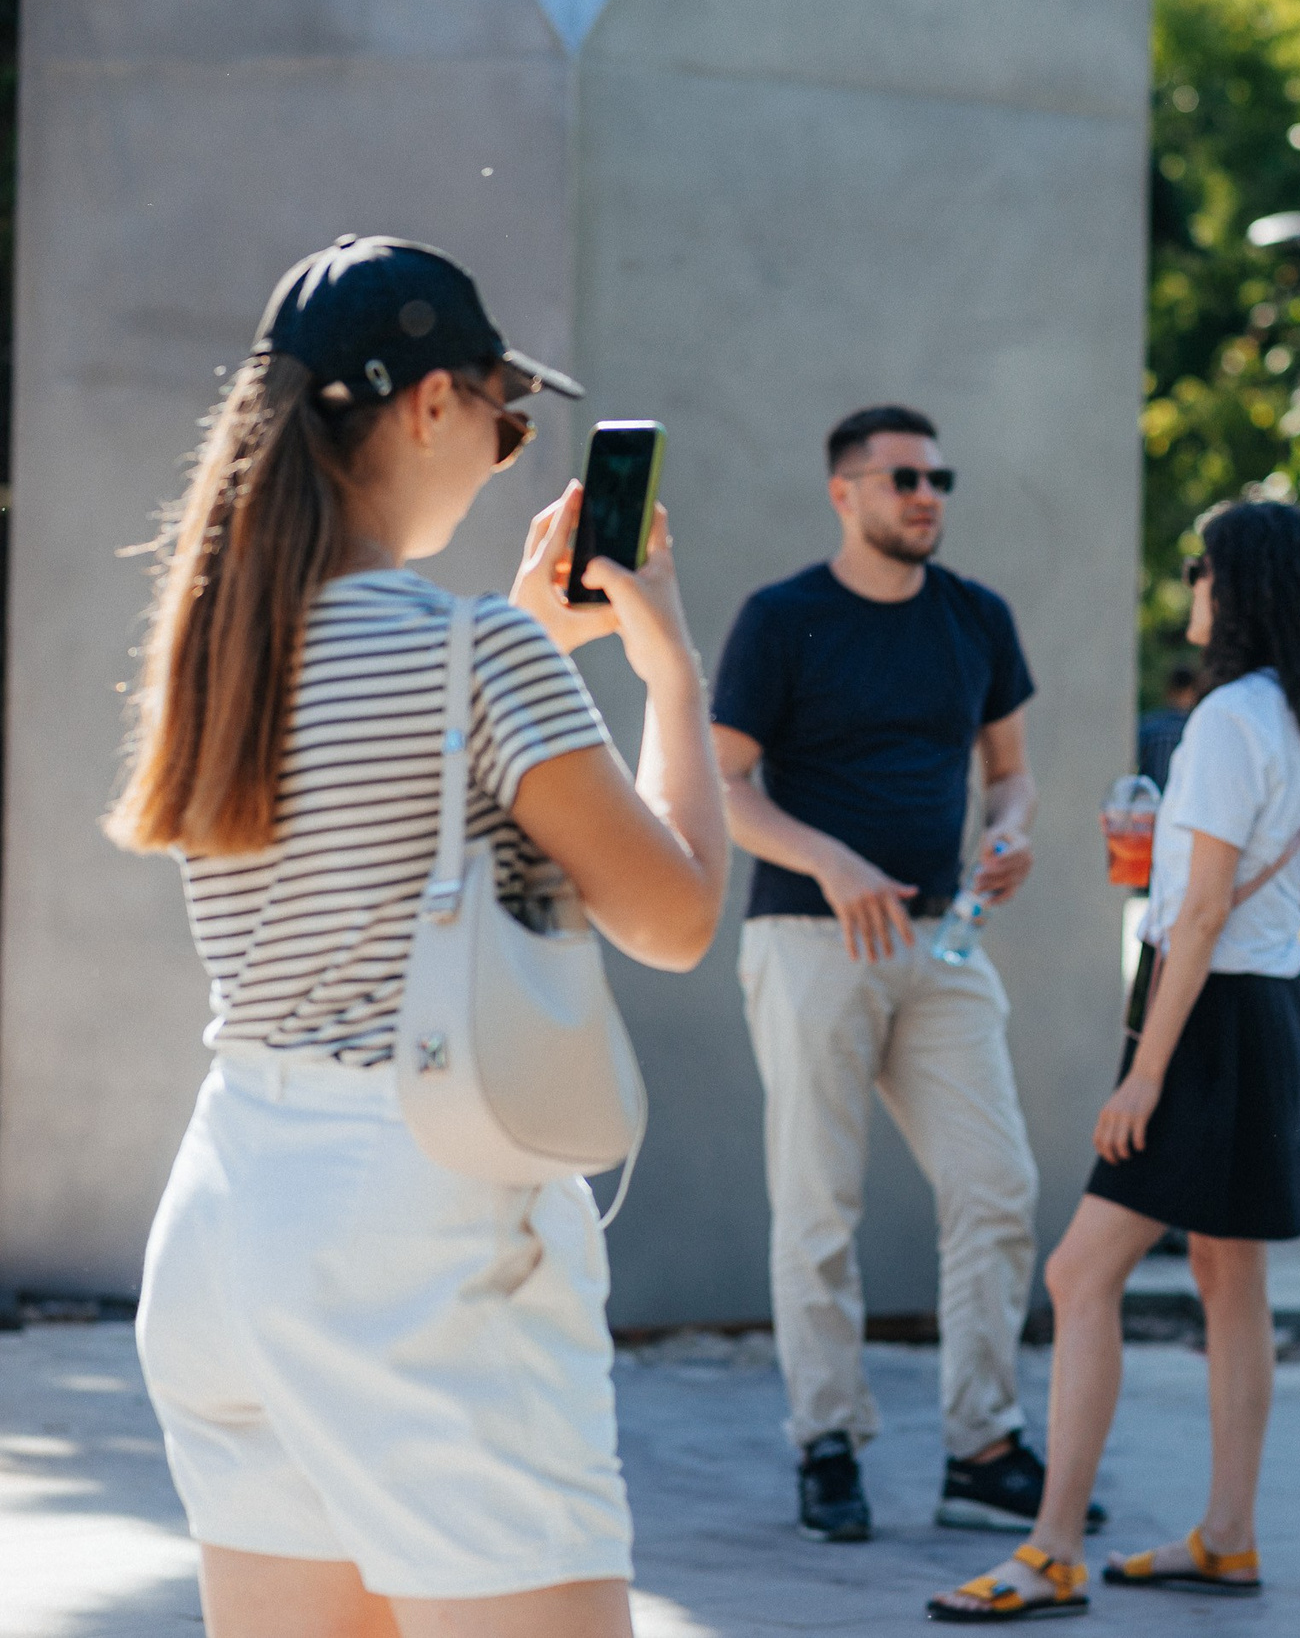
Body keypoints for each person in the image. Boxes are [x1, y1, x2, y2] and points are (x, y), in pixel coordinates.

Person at [114, 235, 728, 1636]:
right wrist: (670, 670)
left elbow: (372, 835)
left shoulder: (221, 649)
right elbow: (678, 912)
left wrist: (515, 651)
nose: (508, 448)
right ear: (430, 403)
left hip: (232, 1214)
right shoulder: (474, 658)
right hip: (422, 1234)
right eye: (508, 415)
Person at [930, 499, 1300, 1622]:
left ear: (1236, 586)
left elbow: (1203, 912)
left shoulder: (1225, 720)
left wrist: (1145, 1072)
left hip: (1203, 1017)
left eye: (1198, 568)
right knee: (1232, 1281)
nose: (1190, 586)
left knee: (1080, 1275)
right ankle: (1225, 1536)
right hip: (1274, 1017)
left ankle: (1053, 1550)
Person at [711, 404, 1078, 1542]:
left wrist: (1011, 831)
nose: (927, 495)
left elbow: (1009, 775)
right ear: (846, 493)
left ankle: (981, 1446)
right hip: (811, 939)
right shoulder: (781, 621)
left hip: (945, 943)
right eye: (904, 478)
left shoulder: (975, 617)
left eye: (938, 478)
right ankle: (828, 1440)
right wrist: (831, 864)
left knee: (997, 1186)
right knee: (819, 1202)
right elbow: (726, 787)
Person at [1136, 663, 1200, 790]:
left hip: (1150, 804)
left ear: (1169, 689)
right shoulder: (1198, 729)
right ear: (1193, 691)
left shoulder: (1148, 725)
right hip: (1184, 805)